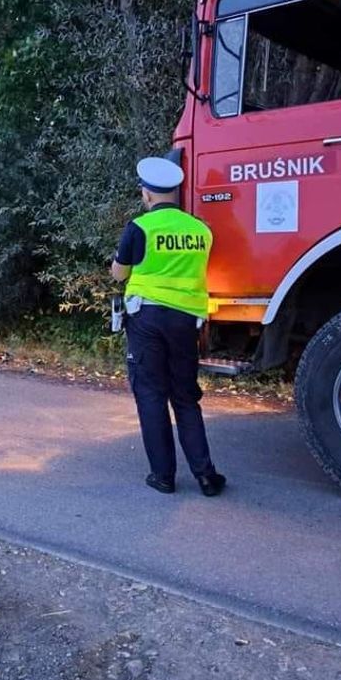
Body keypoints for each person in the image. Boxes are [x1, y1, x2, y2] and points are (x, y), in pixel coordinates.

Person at [110, 158, 225, 497]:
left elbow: (120, 273)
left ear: (146, 194)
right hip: (185, 321)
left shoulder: (140, 228)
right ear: (175, 193)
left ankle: (163, 477)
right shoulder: (201, 230)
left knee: (151, 394)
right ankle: (206, 476)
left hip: (146, 319)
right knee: (186, 397)